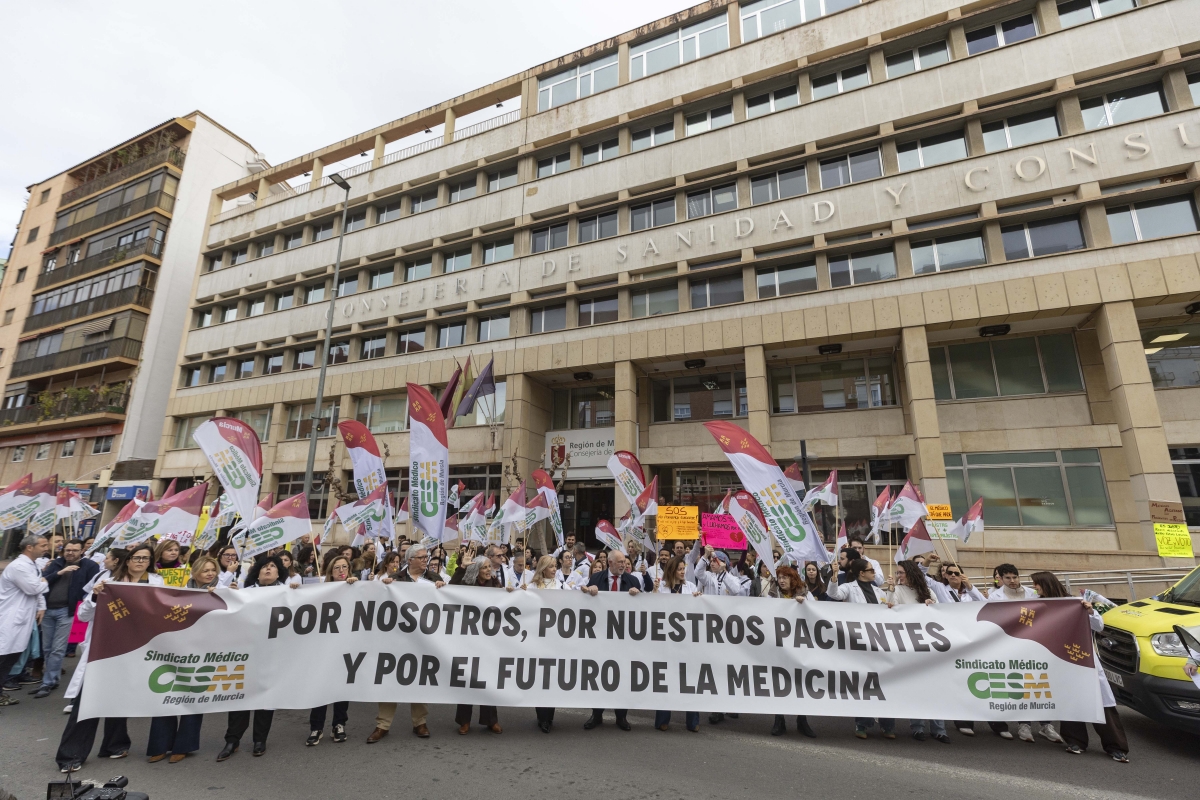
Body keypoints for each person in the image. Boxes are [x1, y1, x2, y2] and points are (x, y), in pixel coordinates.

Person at [58, 543, 163, 769]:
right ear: (127, 559)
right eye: (136, 557)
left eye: (145, 558)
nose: (140, 562)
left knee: (120, 698)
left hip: (134, 648)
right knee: (87, 702)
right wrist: (95, 598)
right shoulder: (108, 581)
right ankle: (71, 755)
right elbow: (84, 615)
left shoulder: (157, 582)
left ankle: (114, 745)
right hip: (104, 649)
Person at [1028, 571, 1128, 762]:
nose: (1034, 588)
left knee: (1101, 701)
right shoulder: (1037, 605)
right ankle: (1075, 741)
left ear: (1046, 584)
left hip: (1083, 658)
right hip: (1059, 660)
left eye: (1036, 584)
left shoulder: (1075, 602)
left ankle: (1116, 747)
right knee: (1070, 700)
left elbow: (1098, 626)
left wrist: (1090, 611)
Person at [368, 542, 443, 743]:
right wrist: (380, 588)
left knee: (420, 678)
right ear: (409, 560)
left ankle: (420, 722)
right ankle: (382, 724)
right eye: (421, 557)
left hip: (424, 639)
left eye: (426, 557)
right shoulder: (394, 579)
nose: (425, 560)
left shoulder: (434, 578)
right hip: (396, 639)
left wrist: (442, 589)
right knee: (390, 678)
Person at [219, 555, 285, 761]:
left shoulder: (288, 593)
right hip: (245, 651)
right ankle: (232, 739)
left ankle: (260, 739)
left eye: (273, 566)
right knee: (240, 695)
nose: (268, 569)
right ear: (256, 571)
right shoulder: (244, 593)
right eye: (264, 566)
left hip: (272, 652)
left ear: (278, 573)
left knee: (266, 696)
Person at [825, 559, 893, 739]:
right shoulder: (849, 587)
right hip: (860, 643)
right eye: (871, 570)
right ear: (861, 573)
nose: (874, 573)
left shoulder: (879, 591)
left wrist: (891, 598)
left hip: (879, 642)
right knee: (864, 684)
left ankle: (888, 725)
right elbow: (834, 594)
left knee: (886, 682)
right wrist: (834, 576)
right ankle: (862, 724)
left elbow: (888, 610)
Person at [884, 561, 948, 744]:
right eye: (897, 573)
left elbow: (939, 611)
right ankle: (918, 727)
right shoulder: (897, 589)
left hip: (930, 646)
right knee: (917, 688)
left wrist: (931, 604)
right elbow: (891, 606)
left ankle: (939, 729)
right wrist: (890, 588)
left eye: (901, 573)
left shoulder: (927, 591)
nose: (899, 576)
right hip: (910, 646)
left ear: (911, 573)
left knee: (935, 689)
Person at [583, 549, 641, 731]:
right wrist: (587, 590)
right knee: (599, 675)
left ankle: (621, 717)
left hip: (623, 639)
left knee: (622, 676)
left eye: (624, 562)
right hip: (601, 637)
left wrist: (638, 595)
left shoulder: (632, 581)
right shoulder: (597, 579)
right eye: (619, 562)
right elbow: (585, 604)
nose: (623, 565)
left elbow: (643, 608)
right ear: (610, 564)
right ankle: (597, 714)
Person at [35, 539, 98, 699]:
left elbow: (91, 589)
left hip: (67, 611)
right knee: (47, 648)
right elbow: (42, 581)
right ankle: (52, 678)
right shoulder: (55, 563)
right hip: (48, 610)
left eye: (75, 550)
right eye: (68, 550)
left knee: (57, 648)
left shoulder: (90, 566)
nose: (70, 553)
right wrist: (59, 572)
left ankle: (47, 682)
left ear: (81, 551)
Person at [307, 555, 358, 746]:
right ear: (330, 571)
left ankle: (339, 724)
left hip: (345, 647)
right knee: (320, 686)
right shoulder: (320, 590)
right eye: (337, 567)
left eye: (345, 567)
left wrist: (355, 585)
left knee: (341, 688)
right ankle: (316, 727)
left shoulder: (355, 587)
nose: (341, 570)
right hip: (323, 647)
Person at [454, 557, 503, 734]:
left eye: (490, 567)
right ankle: (464, 721)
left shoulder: (496, 586)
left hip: (488, 642)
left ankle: (491, 720)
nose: (489, 570)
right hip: (468, 640)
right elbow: (452, 588)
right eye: (485, 567)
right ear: (477, 571)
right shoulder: (467, 585)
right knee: (467, 680)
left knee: (488, 681)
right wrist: (461, 568)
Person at [0, 534, 49, 708]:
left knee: (11, 656)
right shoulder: (19, 567)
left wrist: (41, 605)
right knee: (4, 656)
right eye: (43, 545)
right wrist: (44, 581)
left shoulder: (33, 565)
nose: (46, 548)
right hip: (10, 618)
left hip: (22, 619)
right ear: (30, 547)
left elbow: (37, 591)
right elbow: (33, 588)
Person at [653, 555, 701, 732]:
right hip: (668, 642)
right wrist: (654, 593)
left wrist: (698, 599)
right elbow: (653, 610)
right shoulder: (663, 589)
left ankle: (693, 721)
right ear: (672, 571)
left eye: (684, 569)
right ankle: (662, 719)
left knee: (690, 681)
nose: (682, 572)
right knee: (666, 680)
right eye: (680, 569)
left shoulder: (691, 587)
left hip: (688, 642)